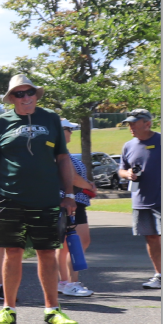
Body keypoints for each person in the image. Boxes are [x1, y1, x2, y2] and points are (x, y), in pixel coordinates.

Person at [0, 75, 80, 324]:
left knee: (47, 253)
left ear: (35, 94)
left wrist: (69, 194)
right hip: (9, 199)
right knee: (12, 252)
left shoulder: (50, 118)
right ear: (11, 98)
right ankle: (8, 308)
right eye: (19, 94)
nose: (26, 97)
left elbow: (62, 158)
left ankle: (52, 309)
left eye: (29, 92)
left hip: (46, 198)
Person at [119, 109, 161, 289]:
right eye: (129, 124)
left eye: (134, 123)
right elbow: (121, 170)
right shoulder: (128, 146)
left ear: (148, 123)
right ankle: (159, 275)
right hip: (141, 200)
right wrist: (127, 174)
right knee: (151, 238)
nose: (131, 127)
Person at [56, 124, 98, 298]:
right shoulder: (57, 152)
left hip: (74, 201)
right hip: (68, 202)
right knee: (79, 242)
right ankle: (71, 283)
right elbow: (71, 176)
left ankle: (64, 282)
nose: (71, 132)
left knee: (67, 245)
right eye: (68, 128)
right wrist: (89, 186)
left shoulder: (63, 151)